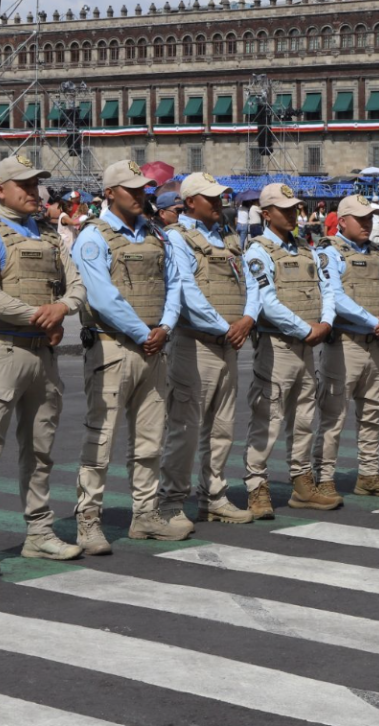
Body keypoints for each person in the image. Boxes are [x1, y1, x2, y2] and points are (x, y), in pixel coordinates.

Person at [0, 155, 87, 578]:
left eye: (37, 184)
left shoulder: (48, 234)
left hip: (41, 355)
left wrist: (62, 307)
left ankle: (39, 533)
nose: (34, 191)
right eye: (24, 185)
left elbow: (77, 284)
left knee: (40, 451)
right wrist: (39, 315)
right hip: (2, 352)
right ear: (1, 190)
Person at [72, 160, 186, 553]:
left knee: (151, 438)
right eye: (132, 189)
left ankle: (145, 515)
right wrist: (146, 333)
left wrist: (166, 327)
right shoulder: (93, 237)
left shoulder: (155, 233)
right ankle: (88, 521)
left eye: (143, 189)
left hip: (153, 345)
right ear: (109, 193)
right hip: (112, 346)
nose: (141, 195)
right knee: (100, 438)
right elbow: (102, 297)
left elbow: (175, 283)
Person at [161, 172, 256, 525]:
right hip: (196, 343)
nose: (220, 203)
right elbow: (186, 292)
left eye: (220, 198)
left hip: (228, 343)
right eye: (211, 199)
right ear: (190, 203)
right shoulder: (177, 239)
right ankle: (171, 502)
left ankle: (213, 496)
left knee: (222, 426)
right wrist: (228, 327)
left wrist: (247, 317)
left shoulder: (227, 237)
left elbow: (250, 282)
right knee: (184, 428)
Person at [242, 182, 338, 516]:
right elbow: (266, 301)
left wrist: (325, 323)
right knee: (267, 418)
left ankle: (302, 483)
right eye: (285, 210)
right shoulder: (258, 251)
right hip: (277, 345)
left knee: (303, 418)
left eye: (295, 208)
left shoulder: (305, 247)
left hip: (307, 344)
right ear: (267, 214)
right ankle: (257, 486)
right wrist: (306, 329)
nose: (293, 214)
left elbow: (326, 288)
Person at [316, 194, 379, 497]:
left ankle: (368, 474)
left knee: (372, 413)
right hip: (344, 343)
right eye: (361, 218)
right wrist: (376, 321)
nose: (368, 224)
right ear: (342, 221)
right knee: (334, 416)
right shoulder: (329, 252)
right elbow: (335, 296)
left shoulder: (377, 253)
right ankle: (324, 477)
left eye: (370, 218)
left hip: (373, 344)